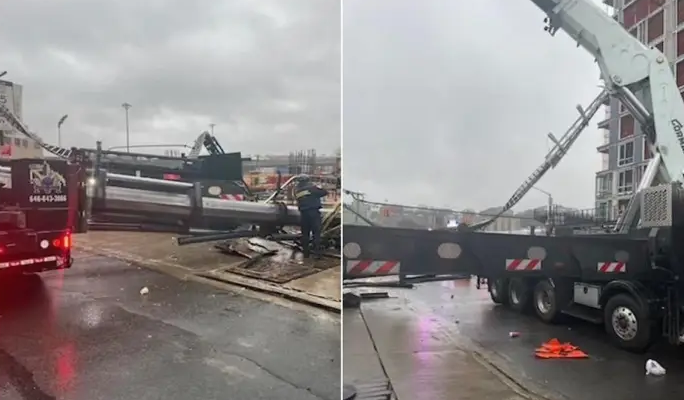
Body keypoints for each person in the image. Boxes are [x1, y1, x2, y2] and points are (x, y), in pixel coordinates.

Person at [294, 174, 328, 259]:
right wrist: (319, 186)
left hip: (303, 214)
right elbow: (324, 192)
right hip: (313, 213)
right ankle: (317, 253)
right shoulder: (312, 188)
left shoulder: (297, 190)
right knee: (316, 233)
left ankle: (306, 253)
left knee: (305, 234)